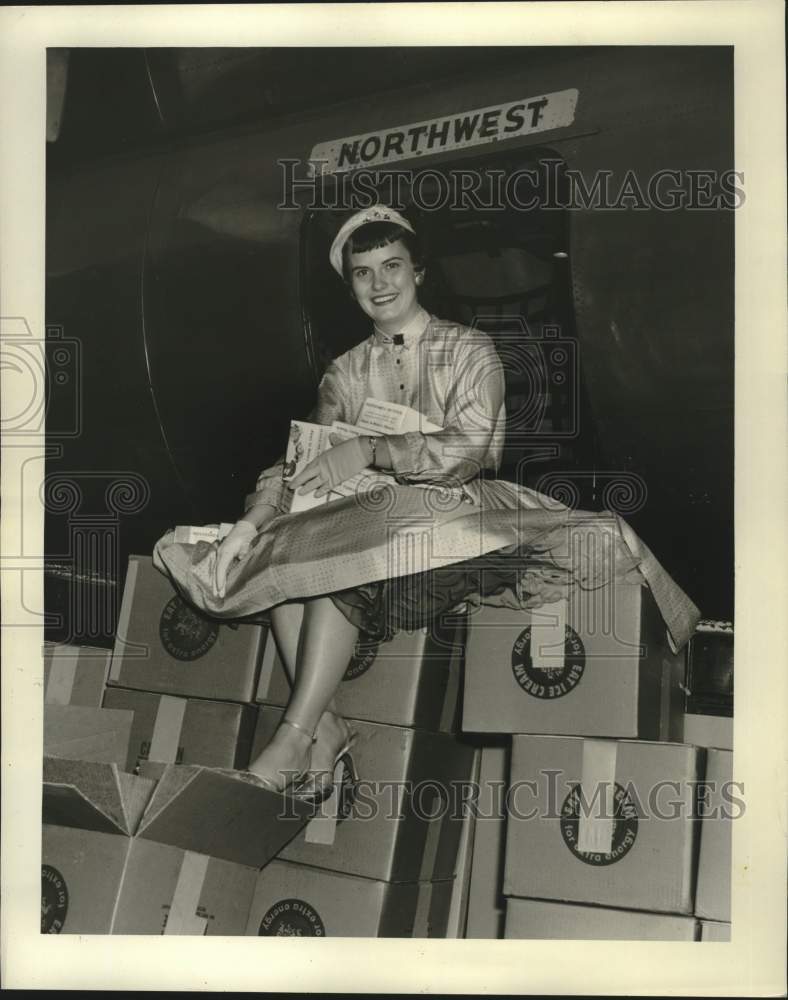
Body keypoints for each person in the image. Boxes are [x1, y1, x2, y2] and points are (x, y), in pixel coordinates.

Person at [154, 204, 700, 799]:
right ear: (351, 286)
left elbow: (465, 452)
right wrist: (252, 521)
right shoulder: (344, 372)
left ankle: (293, 737)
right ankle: (325, 726)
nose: (380, 283)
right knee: (282, 553)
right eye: (363, 273)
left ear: (420, 272)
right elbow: (302, 456)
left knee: (331, 555)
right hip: (369, 521)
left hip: (459, 515)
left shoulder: (472, 350)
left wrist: (374, 450)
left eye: (392, 266)